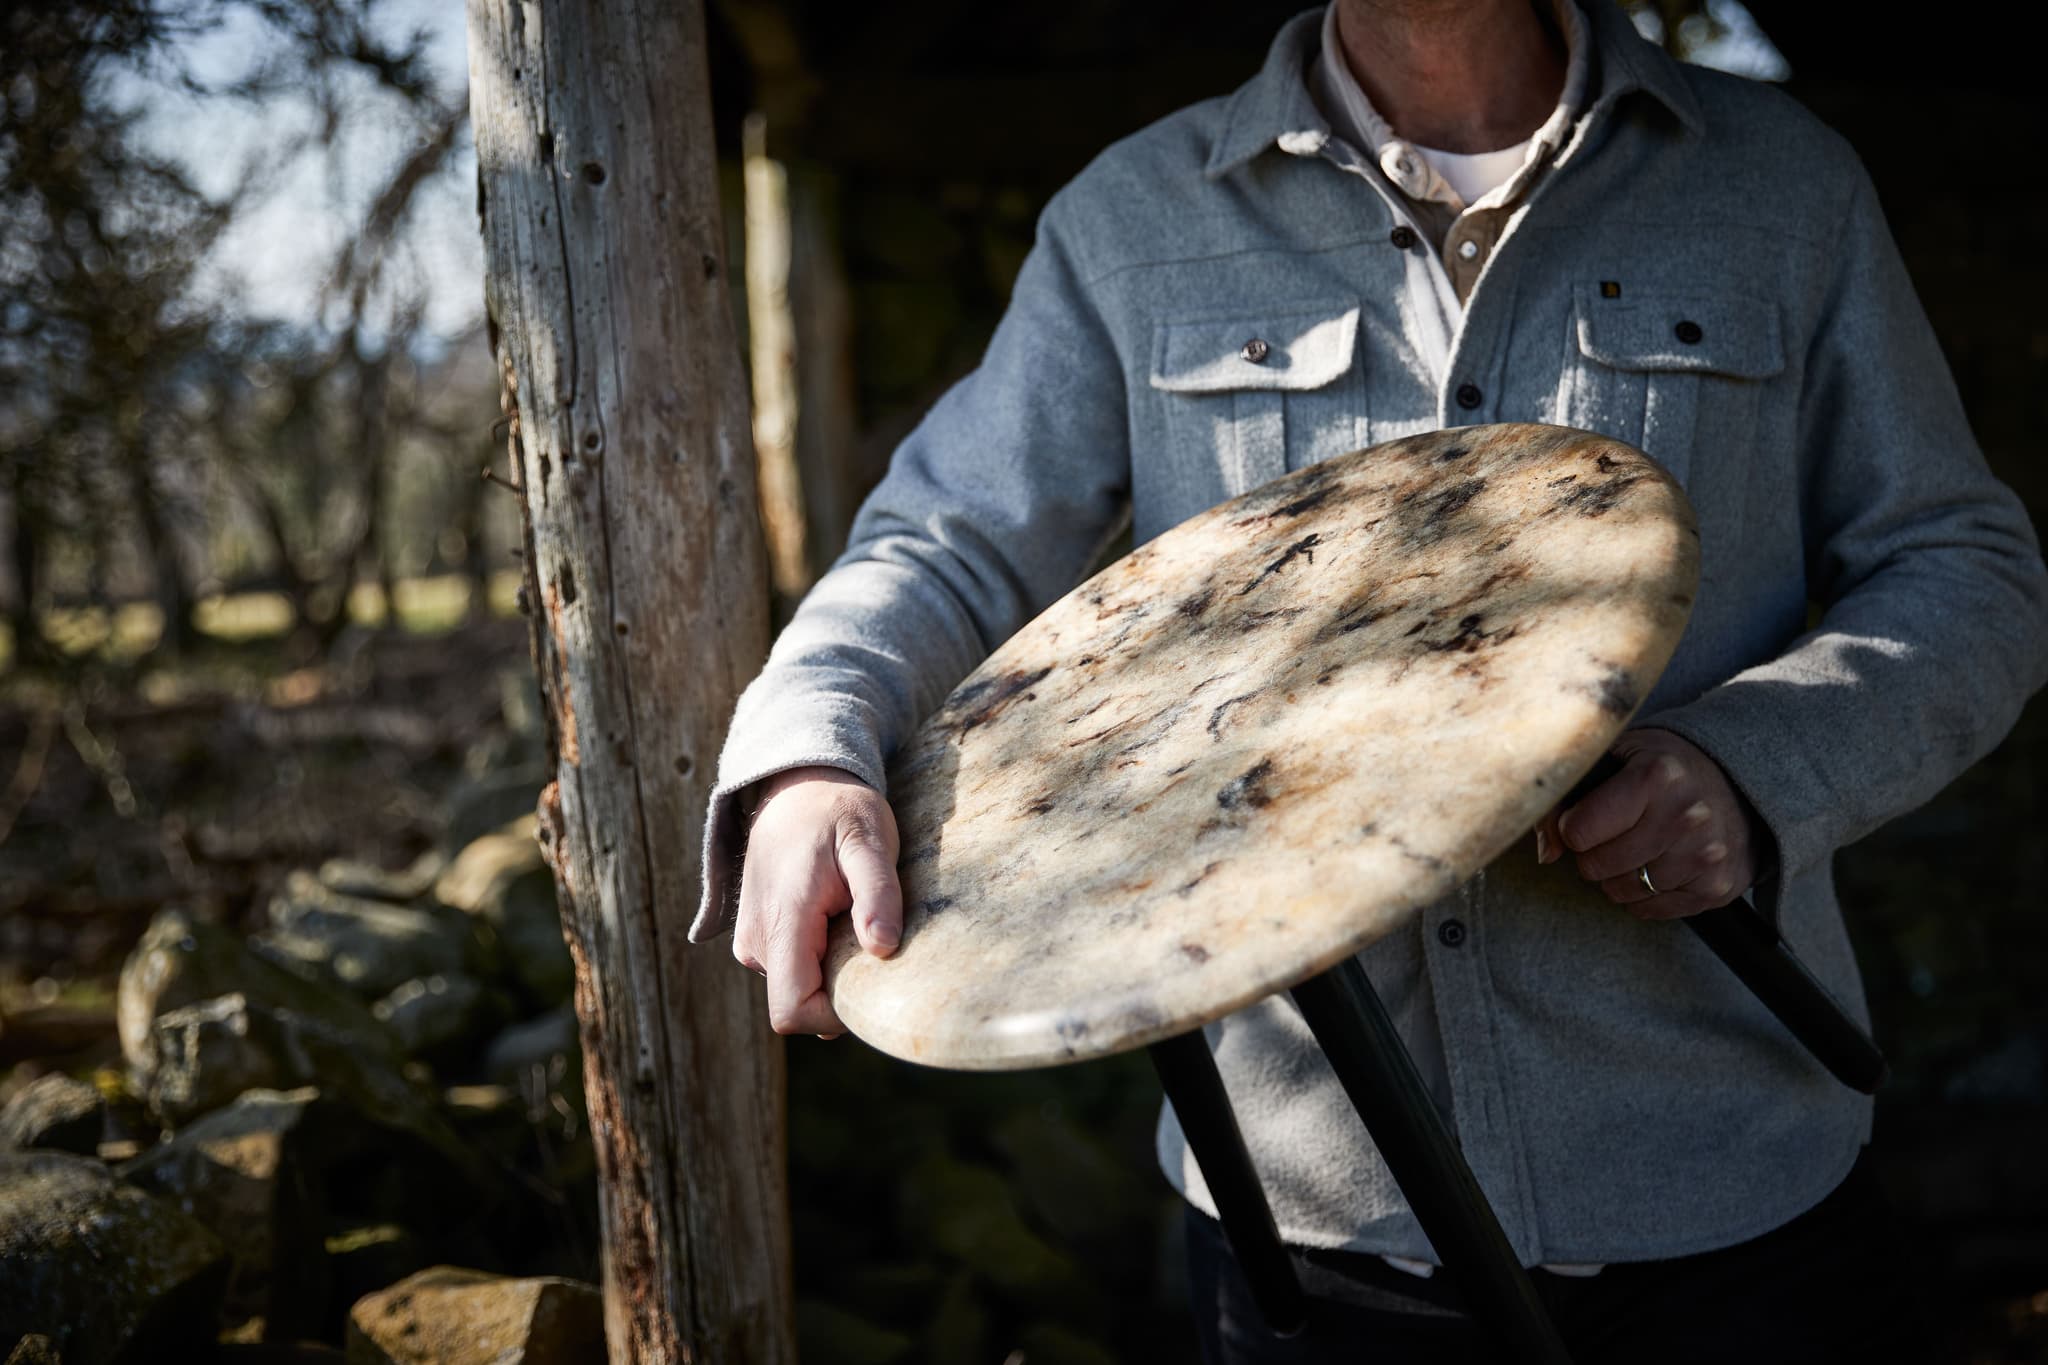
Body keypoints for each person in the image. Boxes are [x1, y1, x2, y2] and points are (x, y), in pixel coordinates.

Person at [688, 0, 2048, 1358]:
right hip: (1311, 1241)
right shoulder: (1133, 221)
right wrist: (814, 747)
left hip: (1730, 1188)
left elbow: (1967, 568)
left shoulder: (1780, 183)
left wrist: (1760, 770)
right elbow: (945, 540)